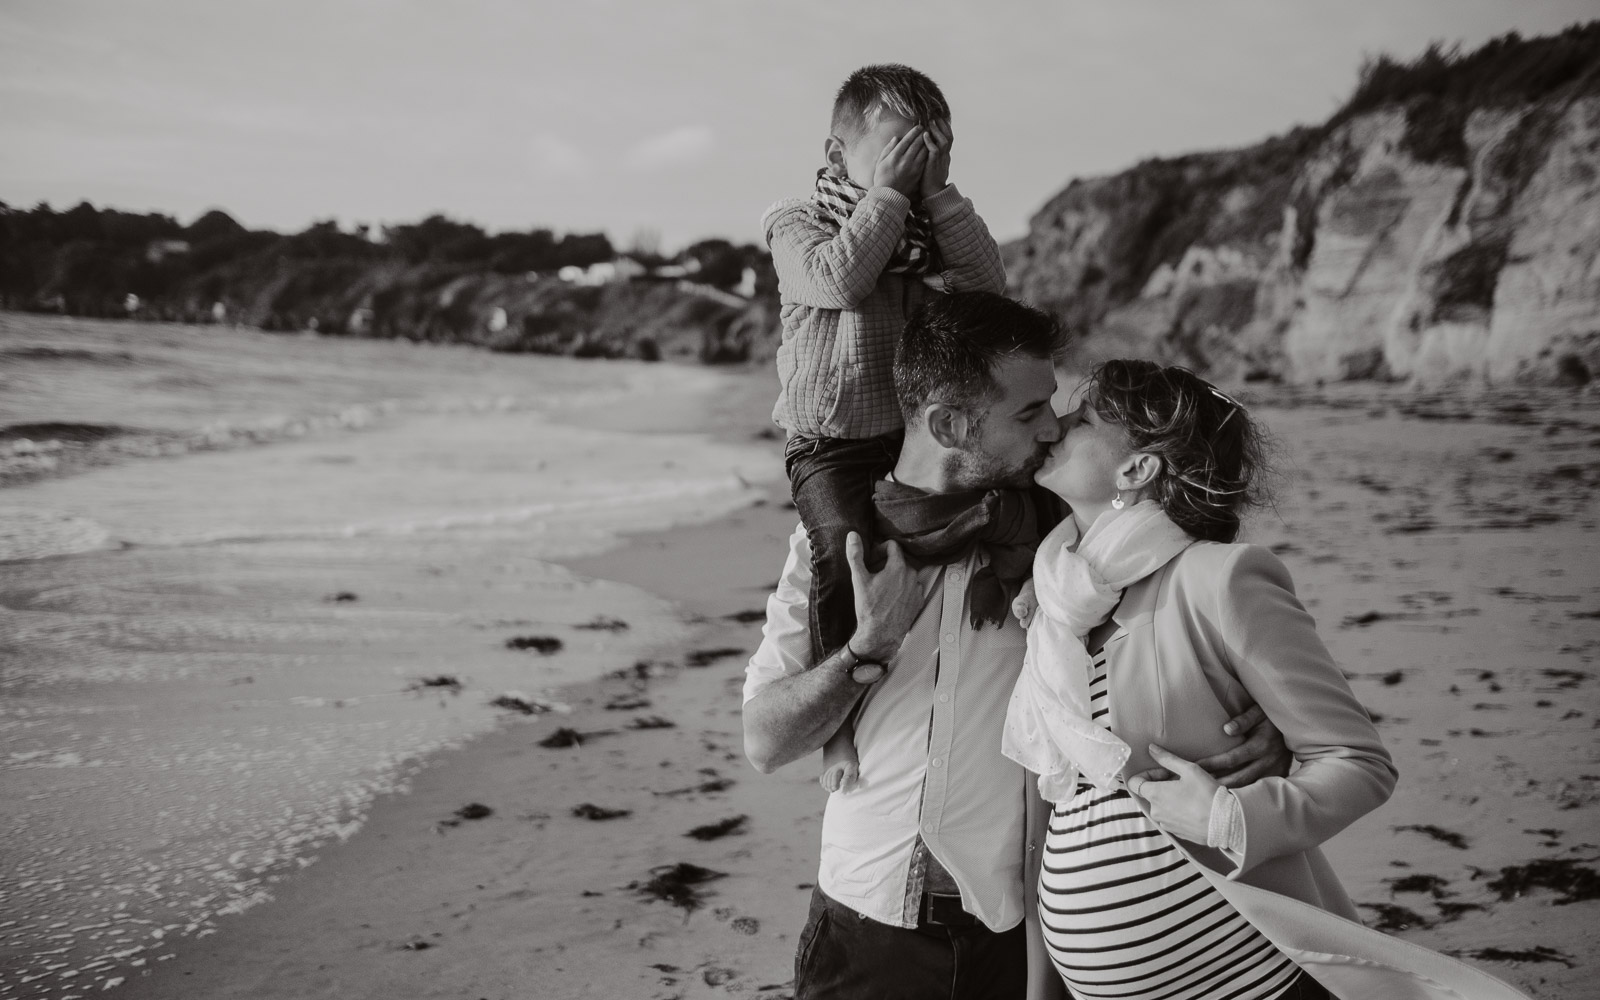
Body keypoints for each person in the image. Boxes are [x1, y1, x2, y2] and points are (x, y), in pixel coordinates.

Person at [742, 293, 1289, 1000]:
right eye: (1028, 413)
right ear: (947, 423)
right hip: (862, 926)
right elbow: (763, 741)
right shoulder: (836, 552)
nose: (1053, 428)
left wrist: (1264, 723)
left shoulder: (1075, 551)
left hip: (1016, 934)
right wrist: (866, 648)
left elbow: (1210, 607)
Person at [1005, 360, 1529, 1000]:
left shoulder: (1217, 581)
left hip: (1247, 979)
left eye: (1082, 419)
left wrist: (1231, 818)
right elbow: (1057, 811)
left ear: (1136, 470)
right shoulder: (1055, 605)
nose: (1057, 423)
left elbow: (1358, 762)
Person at [760, 64, 1008, 794]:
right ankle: (837, 728)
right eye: (900, 149)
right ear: (839, 157)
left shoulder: (922, 235)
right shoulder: (797, 223)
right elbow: (839, 280)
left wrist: (932, 193)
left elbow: (988, 294)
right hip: (828, 442)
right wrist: (891, 197)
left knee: (998, 509)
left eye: (932, 149)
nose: (916, 165)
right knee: (842, 554)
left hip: (907, 439)